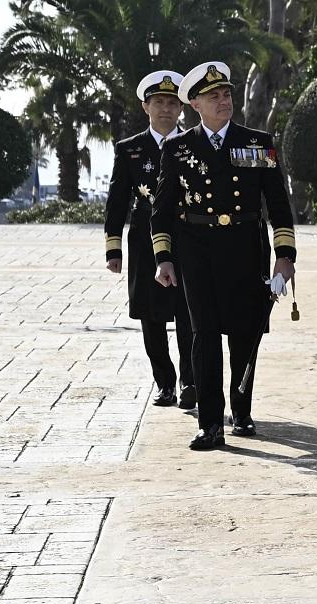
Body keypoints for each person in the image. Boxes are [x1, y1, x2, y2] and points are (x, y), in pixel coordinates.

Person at [149, 62, 295, 450]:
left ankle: (241, 408)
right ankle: (210, 422)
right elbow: (161, 210)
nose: (224, 100)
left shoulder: (257, 142)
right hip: (197, 252)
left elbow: (279, 204)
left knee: (245, 333)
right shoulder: (178, 148)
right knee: (205, 335)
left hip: (247, 248)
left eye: (227, 94)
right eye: (214, 96)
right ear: (195, 103)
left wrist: (285, 255)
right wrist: (164, 258)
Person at [104, 69, 196, 410]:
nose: (166, 109)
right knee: (151, 316)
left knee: (190, 313)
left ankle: (190, 380)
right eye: (158, 102)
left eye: (172, 103)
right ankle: (165, 383)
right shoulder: (130, 149)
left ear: (182, 108)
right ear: (146, 107)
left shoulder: (193, 144)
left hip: (187, 238)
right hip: (144, 242)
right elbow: (117, 200)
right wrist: (113, 249)